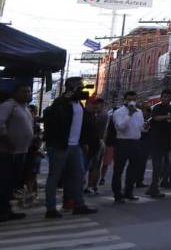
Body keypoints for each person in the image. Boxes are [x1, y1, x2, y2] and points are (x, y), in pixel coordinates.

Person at [42, 77, 97, 218]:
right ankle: (51, 208)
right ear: (71, 86)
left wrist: (84, 142)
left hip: (75, 146)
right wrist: (66, 98)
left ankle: (79, 205)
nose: (82, 88)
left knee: (79, 175)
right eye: (79, 86)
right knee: (54, 177)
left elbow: (81, 124)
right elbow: (56, 117)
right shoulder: (60, 102)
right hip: (60, 145)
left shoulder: (79, 103)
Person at [0, 83, 34, 222]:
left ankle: (7, 209)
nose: (27, 94)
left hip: (21, 152)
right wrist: (6, 141)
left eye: (29, 91)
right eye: (24, 91)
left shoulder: (24, 107)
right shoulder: (9, 105)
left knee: (12, 183)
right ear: (15, 93)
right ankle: (2, 211)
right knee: (4, 182)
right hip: (7, 152)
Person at [110, 90, 144, 203]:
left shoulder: (139, 111)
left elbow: (141, 127)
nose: (132, 102)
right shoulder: (119, 112)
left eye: (134, 99)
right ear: (125, 100)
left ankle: (129, 192)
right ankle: (117, 194)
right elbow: (121, 127)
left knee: (133, 169)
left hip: (136, 142)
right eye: (129, 100)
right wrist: (129, 114)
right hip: (122, 142)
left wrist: (145, 127)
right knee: (118, 169)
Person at [144, 89, 171, 198]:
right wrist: (168, 117)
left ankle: (153, 187)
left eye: (168, 97)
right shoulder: (158, 107)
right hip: (156, 140)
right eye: (164, 97)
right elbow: (155, 118)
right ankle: (154, 189)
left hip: (167, 140)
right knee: (158, 165)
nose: (166, 99)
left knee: (164, 166)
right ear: (161, 98)